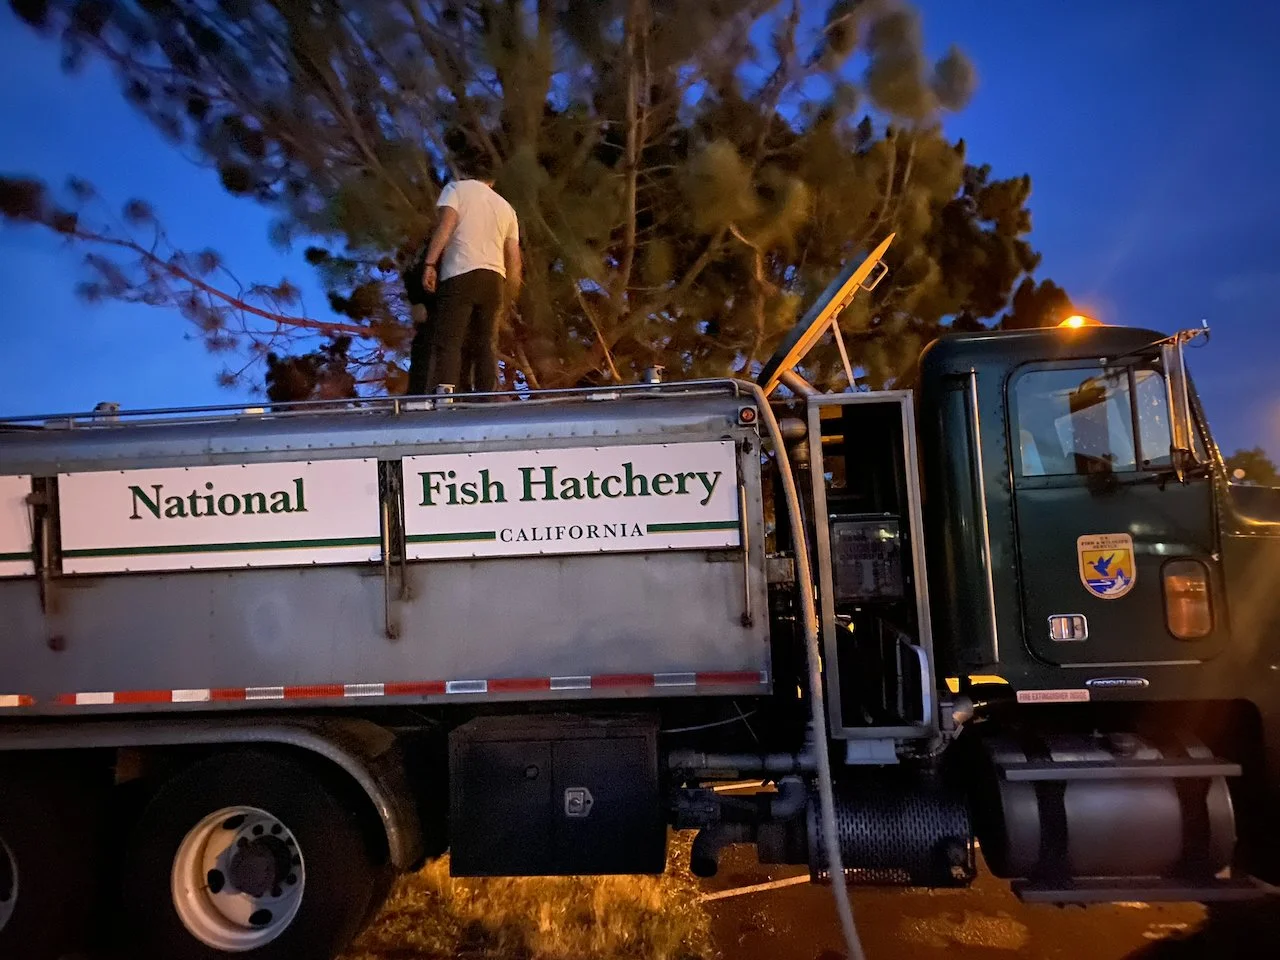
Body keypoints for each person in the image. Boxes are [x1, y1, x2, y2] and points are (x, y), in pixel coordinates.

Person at [418, 161, 522, 394]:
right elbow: (514, 258)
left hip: (460, 273)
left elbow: (446, 227)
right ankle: (487, 397)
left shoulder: (456, 190)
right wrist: (510, 294)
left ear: (466, 173)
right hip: (494, 279)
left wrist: (430, 263)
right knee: (486, 343)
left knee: (450, 340)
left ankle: (446, 396)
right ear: (492, 181)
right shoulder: (506, 208)